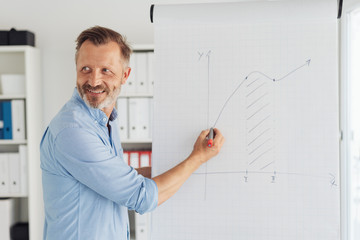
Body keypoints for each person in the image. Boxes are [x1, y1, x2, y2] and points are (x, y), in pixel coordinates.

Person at [40, 26, 225, 240]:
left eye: (106, 71)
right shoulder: (73, 131)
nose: (93, 81)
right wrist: (198, 158)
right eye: (86, 69)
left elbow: (115, 177)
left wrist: (183, 166)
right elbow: (141, 197)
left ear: (125, 75)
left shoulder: (102, 119)